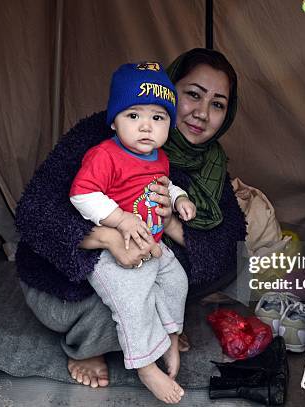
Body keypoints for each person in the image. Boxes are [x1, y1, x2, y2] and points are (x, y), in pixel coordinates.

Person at [15, 48, 246, 400]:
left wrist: (170, 222)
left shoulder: (209, 164)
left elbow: (224, 247)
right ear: (170, 90)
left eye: (217, 104)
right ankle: (91, 347)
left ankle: (158, 332)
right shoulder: (104, 135)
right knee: (122, 303)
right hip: (71, 278)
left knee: (183, 279)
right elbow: (34, 212)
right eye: (193, 95)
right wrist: (108, 238)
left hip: (146, 261)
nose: (201, 113)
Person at [68, 62, 196, 403]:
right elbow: (82, 194)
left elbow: (165, 187)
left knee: (176, 282)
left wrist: (179, 198)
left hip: (152, 244)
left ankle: (170, 336)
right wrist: (122, 220)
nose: (146, 127)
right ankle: (144, 366)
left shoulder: (160, 158)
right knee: (132, 302)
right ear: (114, 120)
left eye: (158, 118)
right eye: (133, 115)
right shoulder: (105, 155)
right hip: (113, 251)